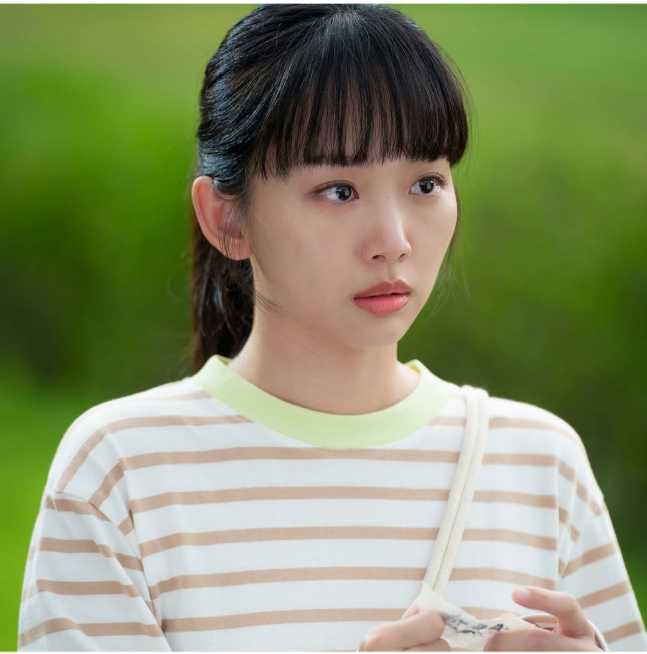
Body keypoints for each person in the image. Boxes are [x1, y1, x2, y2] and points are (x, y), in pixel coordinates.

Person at [17, 4, 646, 652]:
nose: (393, 241)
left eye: (425, 184)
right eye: (339, 191)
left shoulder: (539, 463)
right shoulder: (121, 472)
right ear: (227, 218)